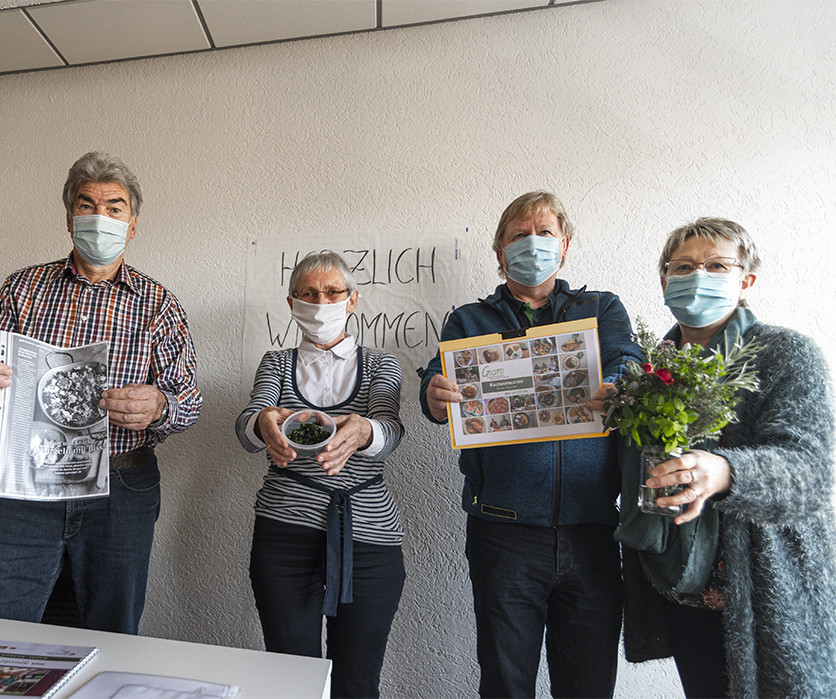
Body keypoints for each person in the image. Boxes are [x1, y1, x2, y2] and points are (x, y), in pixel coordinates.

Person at [0, 151, 201, 634]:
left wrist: (161, 405)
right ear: (69, 219)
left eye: (114, 207)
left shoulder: (159, 303)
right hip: (25, 480)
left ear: (133, 223)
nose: (100, 217)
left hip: (121, 488)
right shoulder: (23, 288)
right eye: (87, 205)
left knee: (112, 631)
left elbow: (189, 401)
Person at [419, 191, 641, 697]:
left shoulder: (601, 308)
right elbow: (435, 388)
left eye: (544, 233)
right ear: (499, 252)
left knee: (588, 685)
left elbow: (629, 360)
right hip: (503, 532)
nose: (532, 243)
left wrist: (623, 384)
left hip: (594, 529)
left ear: (564, 246)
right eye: (519, 235)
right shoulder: (468, 321)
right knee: (505, 684)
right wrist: (433, 397)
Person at [607, 218, 836, 697]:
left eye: (716, 265)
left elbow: (812, 471)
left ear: (746, 279)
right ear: (665, 280)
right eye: (684, 267)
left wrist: (728, 472)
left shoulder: (785, 354)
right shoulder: (649, 366)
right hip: (681, 588)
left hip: (761, 591)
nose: (698, 276)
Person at [235, 251, 406, 699]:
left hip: (369, 538)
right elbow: (249, 424)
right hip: (283, 537)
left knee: (358, 681)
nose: (321, 301)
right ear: (292, 304)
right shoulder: (276, 362)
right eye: (308, 294)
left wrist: (365, 430)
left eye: (332, 292)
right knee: (292, 680)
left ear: (352, 300)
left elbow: (390, 431)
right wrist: (264, 423)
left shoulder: (382, 364)